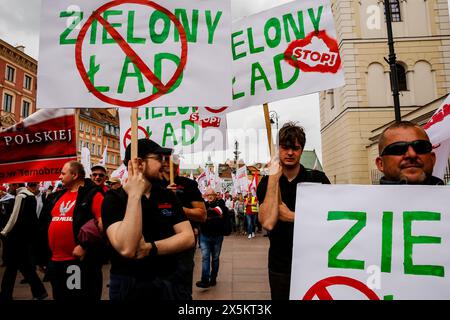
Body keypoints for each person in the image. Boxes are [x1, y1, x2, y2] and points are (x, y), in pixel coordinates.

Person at [102, 139, 195, 301]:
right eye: (158, 158)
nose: (165, 164)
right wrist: (135, 195)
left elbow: (188, 237)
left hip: (169, 282)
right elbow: (127, 248)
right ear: (139, 163)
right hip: (129, 285)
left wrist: (150, 248)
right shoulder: (114, 198)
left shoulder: (166, 195)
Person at [257, 122, 331, 300]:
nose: (290, 152)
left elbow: (330, 220)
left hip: (313, 262)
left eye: (295, 148)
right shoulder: (267, 183)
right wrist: (273, 178)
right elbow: (267, 221)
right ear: (278, 149)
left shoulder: (317, 179)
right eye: (285, 147)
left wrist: (293, 217)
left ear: (301, 149)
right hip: (279, 265)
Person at [42, 161, 105, 300]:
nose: (60, 177)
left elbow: (103, 223)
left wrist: (84, 245)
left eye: (63, 173)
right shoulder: (57, 196)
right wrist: (43, 258)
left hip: (76, 263)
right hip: (55, 263)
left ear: (75, 175)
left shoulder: (92, 195)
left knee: (76, 297)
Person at [161, 154, 206, 296]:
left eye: (170, 160)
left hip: (183, 245)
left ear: (177, 164)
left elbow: (202, 215)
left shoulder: (188, 184)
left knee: (181, 290)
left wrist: (177, 205)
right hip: (158, 242)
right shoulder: (152, 185)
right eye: (162, 159)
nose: (167, 163)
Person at [0, 183, 48, 301]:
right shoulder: (30, 196)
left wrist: (4, 232)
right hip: (25, 238)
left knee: (12, 268)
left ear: (15, 186)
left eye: (11, 185)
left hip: (17, 239)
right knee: (24, 267)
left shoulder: (21, 196)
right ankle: (39, 292)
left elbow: (14, 217)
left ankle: (6, 295)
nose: (9, 188)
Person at [376, 121, 445, 185]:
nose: (412, 154)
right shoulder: (368, 198)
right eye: (398, 148)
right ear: (381, 164)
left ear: (432, 159)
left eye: (420, 147)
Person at [196, 188, 228, 289]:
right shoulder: (203, 205)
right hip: (205, 236)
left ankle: (213, 278)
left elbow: (218, 211)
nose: (210, 196)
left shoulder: (221, 204)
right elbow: (199, 215)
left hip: (217, 236)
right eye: (208, 195)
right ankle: (205, 280)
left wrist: (206, 214)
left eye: (212, 194)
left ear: (215, 196)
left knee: (215, 258)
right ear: (205, 196)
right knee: (205, 257)